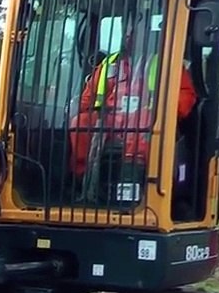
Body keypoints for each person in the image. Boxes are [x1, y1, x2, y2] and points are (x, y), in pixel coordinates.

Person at [69, 9, 198, 179]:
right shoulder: (110, 63)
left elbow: (186, 95)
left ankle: (133, 174)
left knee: (143, 122)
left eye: (135, 31)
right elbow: (89, 95)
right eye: (128, 30)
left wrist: (166, 113)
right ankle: (81, 177)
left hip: (146, 121)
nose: (130, 35)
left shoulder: (166, 64)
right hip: (110, 120)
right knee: (80, 122)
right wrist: (84, 109)